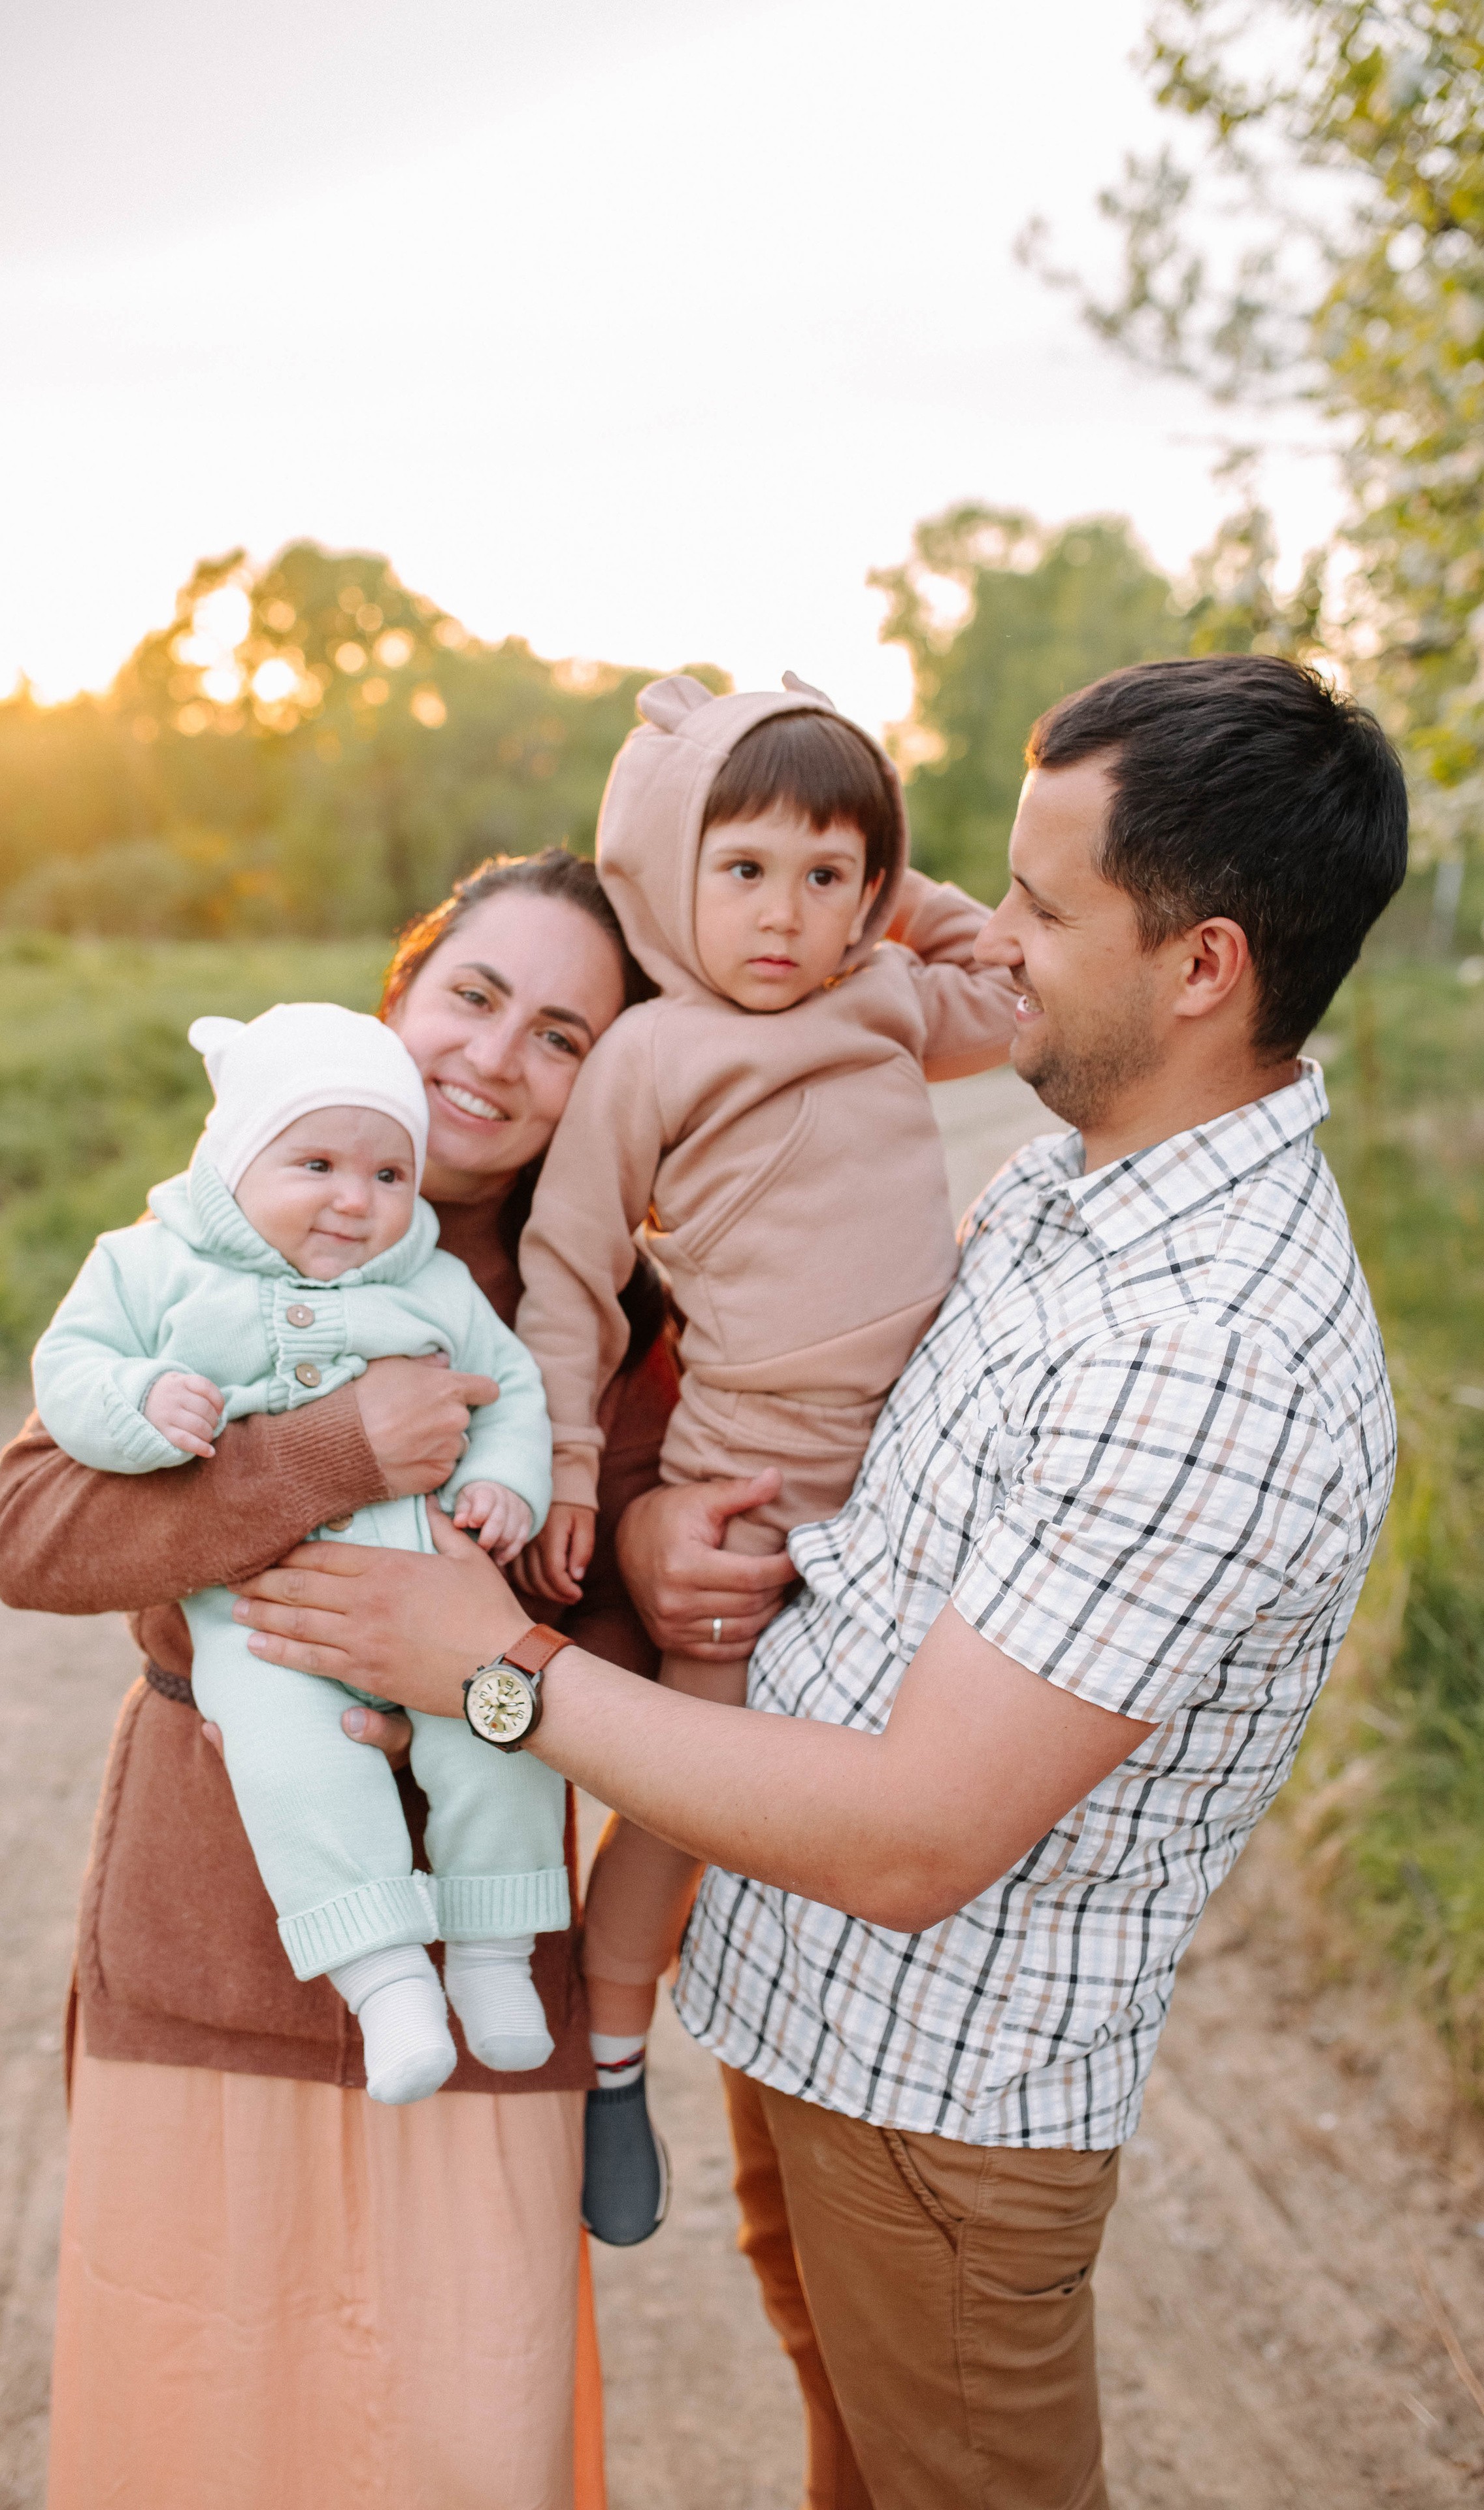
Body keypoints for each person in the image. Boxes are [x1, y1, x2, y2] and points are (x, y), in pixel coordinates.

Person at [228, 654, 1409, 2510]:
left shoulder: (1210, 1354)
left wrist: (494, 1669)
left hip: (940, 2107)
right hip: (813, 2024)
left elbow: (917, 1838)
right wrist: (644, 1536)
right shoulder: (1067, 1193)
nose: (984, 937)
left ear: (1202, 967)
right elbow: (847, 1498)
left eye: (1039, 907)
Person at [0, 848, 676, 2510]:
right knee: (207, 2424)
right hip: (208, 1938)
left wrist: (483, 1664)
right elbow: (33, 1537)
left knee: (466, 2433)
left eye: (563, 1035)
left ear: (604, 1083)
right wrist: (334, 1450)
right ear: (396, 998)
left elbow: (631, 1648)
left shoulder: (609, 1322)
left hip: (488, 1970)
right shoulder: (220, 1226)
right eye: (473, 996)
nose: (496, 1058)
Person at [514, 673, 1016, 2240]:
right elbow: (568, 1271)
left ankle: (873, 2072)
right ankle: (610, 2057)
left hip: (917, 1477)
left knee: (920, 1775)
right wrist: (573, 1465)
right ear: (670, 870)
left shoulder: (884, 1000)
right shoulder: (649, 1056)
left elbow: (1006, 982)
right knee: (691, 1789)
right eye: (741, 869)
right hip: (749, 1482)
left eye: (825, 875)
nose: (784, 916)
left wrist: (893, 887)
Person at [32, 1002, 563, 2106]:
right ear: (235, 1162)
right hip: (263, 1621)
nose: (355, 1201)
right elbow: (71, 1365)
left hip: (437, 1595)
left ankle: (494, 1953)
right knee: (295, 1769)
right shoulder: (151, 1265)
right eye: (316, 1165)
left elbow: (511, 1387)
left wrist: (505, 1481)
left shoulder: (432, 1282)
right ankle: (387, 1981)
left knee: (502, 1734)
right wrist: (141, 1400)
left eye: (388, 1175)